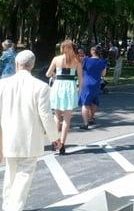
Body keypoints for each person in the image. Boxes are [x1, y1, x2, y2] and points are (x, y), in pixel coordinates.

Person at [0, 50, 60, 211]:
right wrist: (55, 137)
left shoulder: (2, 85)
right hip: (30, 138)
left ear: (16, 64)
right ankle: (14, 208)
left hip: (8, 138)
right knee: (24, 175)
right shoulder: (41, 87)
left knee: (10, 175)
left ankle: (7, 206)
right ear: (32, 66)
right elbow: (46, 116)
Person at [45, 40, 83, 155]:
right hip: (70, 88)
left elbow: (48, 74)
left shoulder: (56, 59)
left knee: (57, 117)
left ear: (62, 48)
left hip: (58, 87)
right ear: (72, 48)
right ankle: (62, 144)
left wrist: (55, 75)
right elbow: (81, 79)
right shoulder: (76, 60)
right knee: (67, 119)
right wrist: (79, 90)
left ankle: (55, 142)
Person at [78, 46, 107, 130]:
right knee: (94, 102)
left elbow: (81, 69)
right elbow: (103, 74)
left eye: (91, 49)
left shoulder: (86, 60)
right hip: (96, 84)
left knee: (85, 103)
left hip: (86, 84)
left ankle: (85, 123)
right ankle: (91, 118)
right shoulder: (102, 62)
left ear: (93, 51)